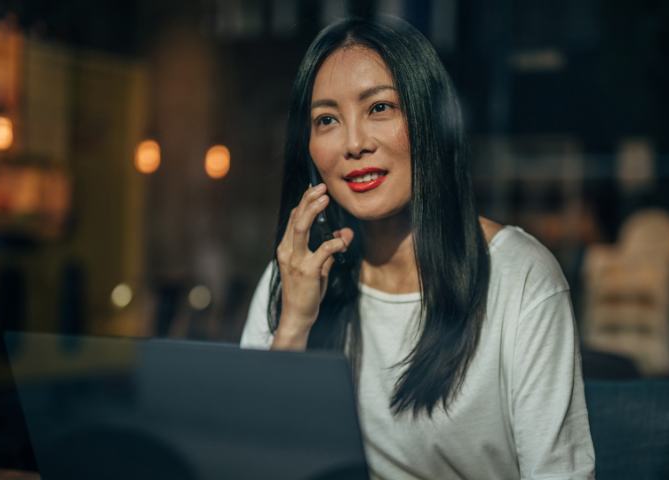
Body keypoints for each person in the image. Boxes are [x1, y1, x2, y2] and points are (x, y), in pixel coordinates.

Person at [241, 16, 595, 480]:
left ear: (429, 118)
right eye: (326, 119)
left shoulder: (519, 277)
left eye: (380, 108)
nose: (353, 143)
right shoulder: (295, 274)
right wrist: (294, 325)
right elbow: (252, 463)